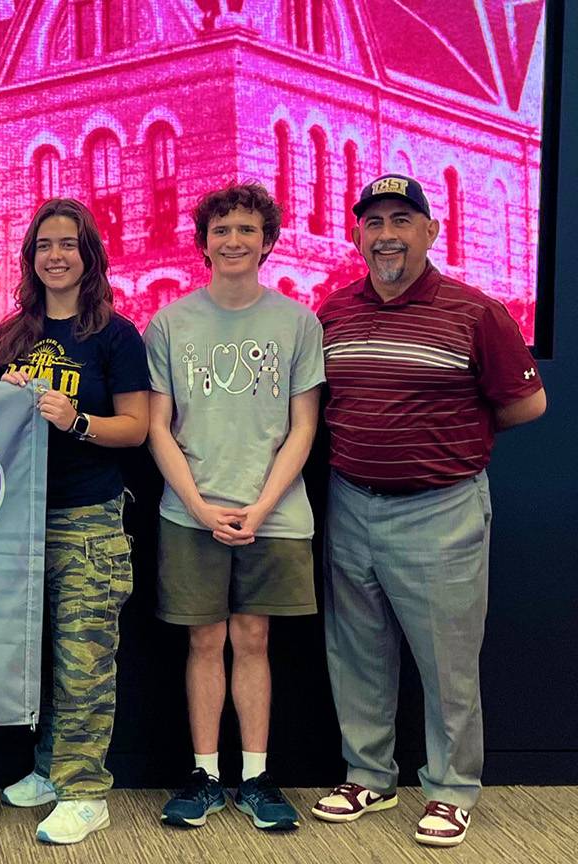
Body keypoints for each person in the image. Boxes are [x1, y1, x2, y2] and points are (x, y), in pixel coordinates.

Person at [310, 174, 545, 847]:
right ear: (358, 235)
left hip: (441, 510)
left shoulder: (475, 311)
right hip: (351, 503)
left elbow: (528, 403)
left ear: (430, 232)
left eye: (402, 221)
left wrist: (456, 440)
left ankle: (450, 789)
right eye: (374, 222)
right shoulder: (333, 313)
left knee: (447, 661)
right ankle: (368, 776)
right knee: (357, 653)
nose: (387, 235)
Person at [145, 183, 323, 833]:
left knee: (253, 638)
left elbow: (304, 427)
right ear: (203, 244)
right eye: (221, 231)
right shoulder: (169, 323)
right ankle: (205, 776)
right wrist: (198, 506)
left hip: (273, 514)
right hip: (189, 512)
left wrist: (261, 505)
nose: (234, 241)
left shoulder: (298, 322)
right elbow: (158, 425)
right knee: (204, 639)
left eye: (247, 230)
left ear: (268, 242)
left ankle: (255, 777)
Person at [0, 199, 150, 845]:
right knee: (44, 659)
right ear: (31, 258)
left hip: (88, 519)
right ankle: (53, 768)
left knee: (86, 659)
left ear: (89, 255)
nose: (55, 255)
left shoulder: (115, 334)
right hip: (20, 522)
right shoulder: (12, 333)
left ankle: (88, 792)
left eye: (68, 243)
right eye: (44, 245)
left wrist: (76, 420)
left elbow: (136, 428)